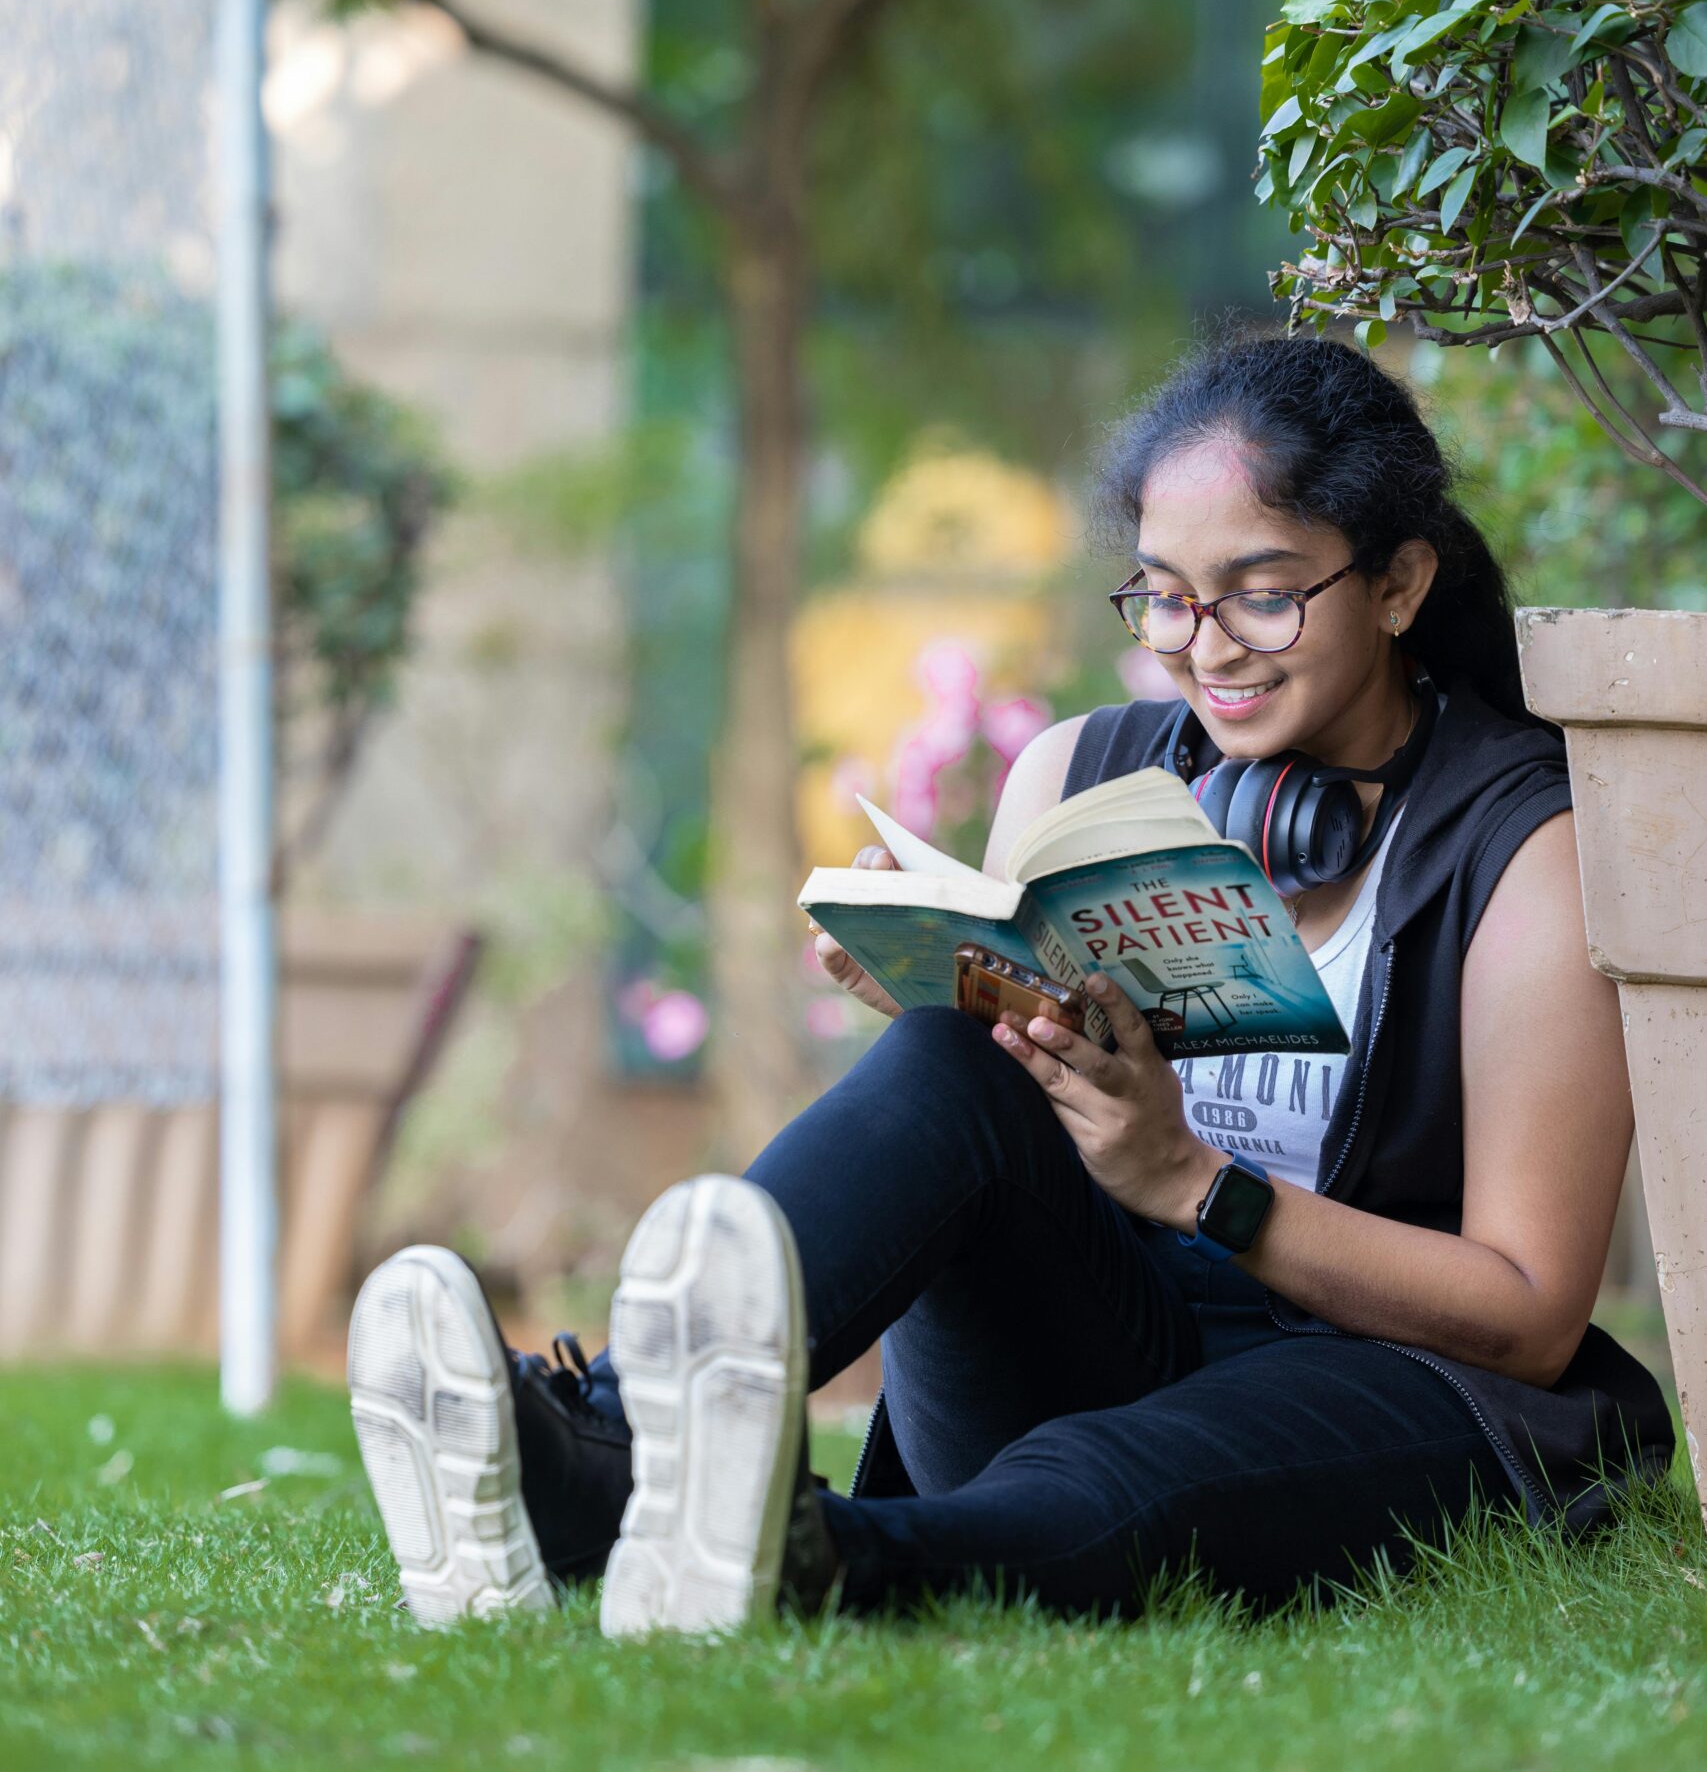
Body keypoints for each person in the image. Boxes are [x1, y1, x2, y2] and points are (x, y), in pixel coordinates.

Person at [347, 333, 1673, 1637]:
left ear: (1397, 585)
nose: (1206, 646)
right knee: (948, 1062)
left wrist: (1196, 1187)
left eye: (1263, 593)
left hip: (1387, 1383)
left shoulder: (1523, 851)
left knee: (1122, 1480)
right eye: (1162, 595)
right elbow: (1001, 1111)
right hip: (1107, 1323)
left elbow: (1532, 1315)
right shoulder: (1078, 773)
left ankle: (809, 1558)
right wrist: (956, 995)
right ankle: (597, 1458)